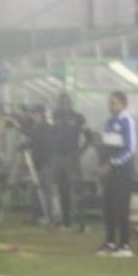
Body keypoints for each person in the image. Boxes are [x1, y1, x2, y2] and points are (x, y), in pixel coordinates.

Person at [95, 90, 138, 257]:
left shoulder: (128, 122)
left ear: (123, 103)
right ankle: (110, 242)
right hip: (110, 171)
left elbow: (131, 149)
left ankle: (125, 245)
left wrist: (112, 163)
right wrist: (103, 165)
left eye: (113, 103)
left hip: (123, 172)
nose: (110, 106)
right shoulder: (109, 122)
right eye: (109, 103)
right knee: (109, 207)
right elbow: (107, 147)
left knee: (122, 208)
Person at [49, 92, 92, 231]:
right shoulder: (55, 116)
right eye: (61, 102)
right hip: (58, 158)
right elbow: (50, 133)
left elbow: (89, 137)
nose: (63, 105)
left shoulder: (79, 118)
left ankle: (83, 223)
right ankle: (66, 222)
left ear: (70, 103)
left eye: (65, 102)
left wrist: (80, 152)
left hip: (71, 158)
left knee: (77, 191)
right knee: (62, 190)